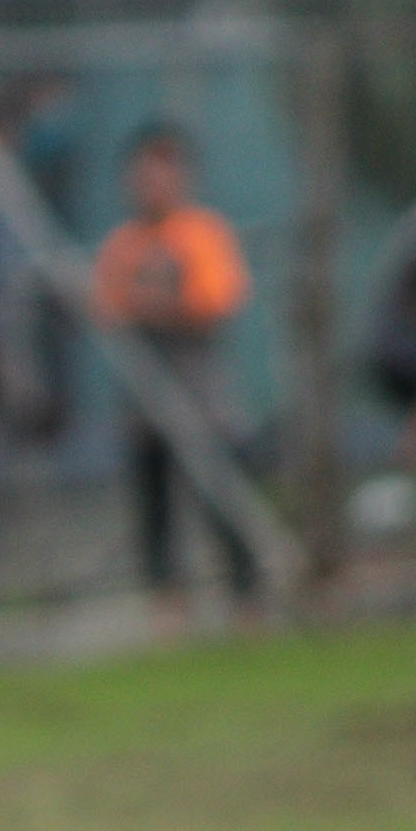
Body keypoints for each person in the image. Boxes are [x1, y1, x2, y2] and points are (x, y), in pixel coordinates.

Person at [92, 121, 259, 626]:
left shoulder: (203, 233)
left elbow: (214, 300)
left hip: (199, 392)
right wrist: (144, 305)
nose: (151, 184)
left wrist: (148, 305)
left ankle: (246, 598)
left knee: (221, 495)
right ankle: (168, 604)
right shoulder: (124, 243)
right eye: (142, 174)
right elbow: (105, 306)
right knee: (155, 503)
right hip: (145, 397)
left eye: (162, 172)